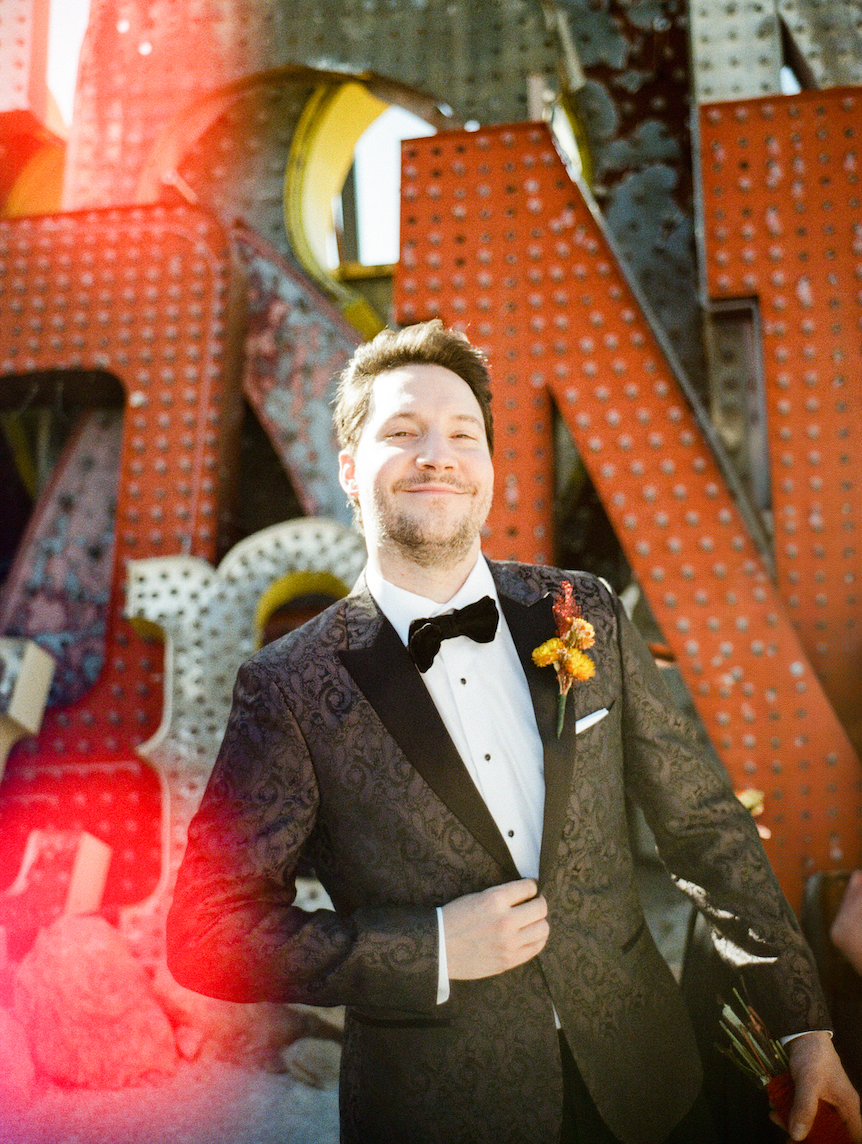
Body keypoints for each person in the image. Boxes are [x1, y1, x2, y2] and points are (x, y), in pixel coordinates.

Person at [167, 320, 860, 1144]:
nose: (438, 453)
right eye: (402, 432)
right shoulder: (285, 688)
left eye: (463, 433)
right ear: (350, 471)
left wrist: (803, 1028)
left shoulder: (583, 611)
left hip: (651, 1089)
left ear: (490, 469)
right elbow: (206, 932)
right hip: (440, 1113)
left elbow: (706, 829)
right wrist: (429, 949)